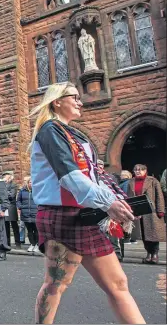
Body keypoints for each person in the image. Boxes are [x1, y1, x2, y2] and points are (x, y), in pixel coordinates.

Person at [29, 81, 144, 324]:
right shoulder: (50, 130)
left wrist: (117, 202)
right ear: (57, 101)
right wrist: (108, 203)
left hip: (87, 214)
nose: (80, 102)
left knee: (118, 283)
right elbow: (69, 175)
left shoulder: (73, 133)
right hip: (63, 216)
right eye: (74, 97)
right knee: (56, 285)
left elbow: (93, 174)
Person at [127, 164, 165, 264]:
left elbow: (159, 196)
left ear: (145, 171)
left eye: (140, 169)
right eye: (135, 169)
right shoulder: (131, 182)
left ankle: (155, 254)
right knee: (143, 234)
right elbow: (129, 197)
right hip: (138, 212)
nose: (138, 171)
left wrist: (160, 210)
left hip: (151, 212)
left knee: (153, 234)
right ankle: (148, 253)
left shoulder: (152, 180)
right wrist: (129, 210)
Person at [16, 176, 39, 253]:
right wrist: (20, 207)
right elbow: (18, 200)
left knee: (36, 230)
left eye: (32, 182)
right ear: (27, 183)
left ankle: (37, 245)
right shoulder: (22, 191)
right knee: (29, 230)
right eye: (30, 182)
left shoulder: (37, 191)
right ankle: (32, 244)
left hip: (35, 213)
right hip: (25, 213)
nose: (31, 184)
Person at [2, 171, 20, 249]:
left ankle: (17, 242)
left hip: (11, 206)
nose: (5, 177)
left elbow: (12, 195)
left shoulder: (13, 184)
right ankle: (8, 242)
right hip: (5, 206)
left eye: (6, 176)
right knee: (6, 226)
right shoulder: (2, 184)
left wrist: (4, 193)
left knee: (14, 225)